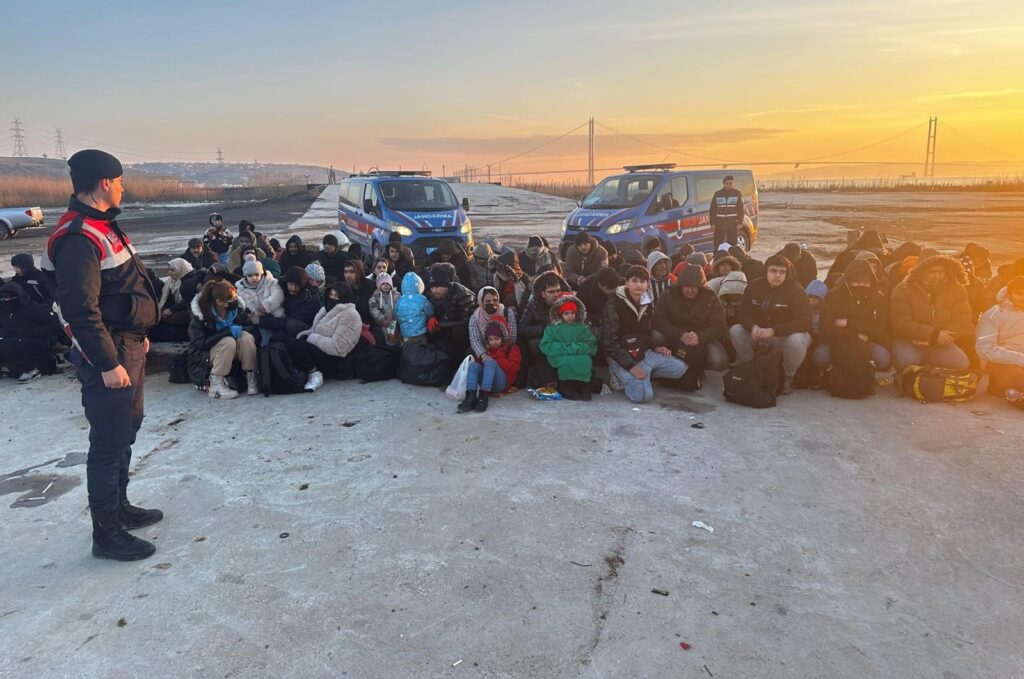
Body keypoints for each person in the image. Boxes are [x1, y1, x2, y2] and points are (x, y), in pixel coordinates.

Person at [40, 149, 161, 561]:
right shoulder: (78, 237)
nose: (124, 187)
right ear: (105, 183)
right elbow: (80, 309)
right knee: (109, 440)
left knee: (127, 428)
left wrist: (138, 332)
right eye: (121, 180)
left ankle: (120, 507)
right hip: (110, 353)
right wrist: (108, 363)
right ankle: (105, 531)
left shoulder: (102, 226)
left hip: (128, 343)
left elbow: (122, 288)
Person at [729, 254, 813, 395]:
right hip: (759, 333)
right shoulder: (754, 286)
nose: (778, 275)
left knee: (797, 340)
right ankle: (752, 369)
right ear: (766, 271)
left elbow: (805, 322)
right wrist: (753, 327)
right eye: (773, 271)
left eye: (782, 272)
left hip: (784, 337)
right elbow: (743, 312)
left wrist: (774, 330)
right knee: (736, 330)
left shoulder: (797, 291)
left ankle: (788, 376)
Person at [601, 265, 686, 403]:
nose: (638, 285)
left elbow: (645, 332)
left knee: (679, 369)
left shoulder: (647, 302)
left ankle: (644, 373)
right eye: (634, 281)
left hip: (642, 352)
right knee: (642, 397)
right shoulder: (613, 304)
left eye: (642, 281)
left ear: (647, 285)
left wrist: (655, 347)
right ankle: (619, 374)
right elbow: (609, 342)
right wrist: (630, 367)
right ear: (627, 282)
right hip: (620, 356)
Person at [890, 254, 973, 372]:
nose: (937, 276)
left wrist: (941, 337)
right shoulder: (902, 289)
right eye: (932, 272)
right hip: (909, 341)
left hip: (941, 341)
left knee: (961, 363)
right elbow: (901, 324)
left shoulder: (956, 289)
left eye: (941, 272)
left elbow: (962, 319)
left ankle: (929, 369)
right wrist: (932, 335)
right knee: (906, 361)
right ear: (921, 271)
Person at [653, 264, 729, 387]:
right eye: (686, 286)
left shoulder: (710, 297)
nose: (690, 290)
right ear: (680, 285)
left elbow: (719, 326)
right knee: (655, 335)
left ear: (701, 287)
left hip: (701, 338)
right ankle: (662, 364)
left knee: (719, 361)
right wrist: (680, 334)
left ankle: (695, 368)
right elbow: (658, 319)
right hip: (673, 334)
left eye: (694, 287)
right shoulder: (669, 294)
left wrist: (700, 337)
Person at [286, 283, 363, 392]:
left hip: (333, 359)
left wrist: (311, 338)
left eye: (336, 296)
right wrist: (306, 335)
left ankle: (314, 373)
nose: (332, 298)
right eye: (330, 295)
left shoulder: (351, 315)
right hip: (319, 349)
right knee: (279, 339)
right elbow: (314, 330)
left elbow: (337, 347)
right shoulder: (326, 309)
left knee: (292, 344)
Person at [188, 279, 258, 399]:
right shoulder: (201, 316)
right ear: (219, 302)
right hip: (206, 356)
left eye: (235, 297)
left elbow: (250, 326)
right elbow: (200, 344)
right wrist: (227, 332)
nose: (234, 301)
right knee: (227, 341)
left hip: (234, 352)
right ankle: (216, 384)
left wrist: (240, 329)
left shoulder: (237, 310)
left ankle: (251, 375)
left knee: (246, 337)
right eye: (231, 299)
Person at [815, 259, 891, 371]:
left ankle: (862, 367)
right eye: (856, 282)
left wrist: (848, 323)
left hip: (867, 342)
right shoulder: (833, 296)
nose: (861, 286)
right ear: (848, 281)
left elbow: (879, 329)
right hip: (837, 341)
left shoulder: (878, 298)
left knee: (883, 359)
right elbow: (826, 327)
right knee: (820, 358)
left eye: (866, 283)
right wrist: (856, 334)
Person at [540, 292, 598, 400]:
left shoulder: (582, 327)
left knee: (584, 361)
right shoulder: (553, 328)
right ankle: (566, 387)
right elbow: (546, 345)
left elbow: (591, 345)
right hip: (560, 354)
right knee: (566, 362)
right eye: (566, 313)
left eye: (572, 313)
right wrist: (568, 348)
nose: (570, 316)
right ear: (560, 314)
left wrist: (575, 348)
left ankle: (584, 386)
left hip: (578, 353)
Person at [457, 318, 521, 413]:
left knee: (490, 362)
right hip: (487, 380)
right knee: (474, 365)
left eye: (496, 339)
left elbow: (513, 368)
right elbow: (480, 365)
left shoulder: (512, 348)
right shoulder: (487, 351)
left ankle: (483, 397)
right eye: (490, 339)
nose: (493, 342)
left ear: (502, 337)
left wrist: (496, 360)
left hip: (502, 383)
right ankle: (471, 396)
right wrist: (483, 358)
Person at [976, 276, 1024, 399]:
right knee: (1014, 376)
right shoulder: (995, 314)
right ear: (1009, 293)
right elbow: (985, 349)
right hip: (1002, 361)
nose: (1023, 298)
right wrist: (1020, 359)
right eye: (1019, 293)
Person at [0, 282, 59, 381]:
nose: (6, 300)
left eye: (9, 297)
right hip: (10, 339)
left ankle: (31, 369)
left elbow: (52, 326)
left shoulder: (33, 308)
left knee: (13, 344)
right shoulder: (3, 311)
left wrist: (29, 331)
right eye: (3, 298)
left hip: (35, 340)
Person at [518, 270, 572, 361]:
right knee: (534, 344)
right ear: (543, 294)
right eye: (551, 292)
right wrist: (544, 329)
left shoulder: (570, 301)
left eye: (558, 291)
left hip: (567, 337)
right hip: (546, 340)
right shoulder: (534, 305)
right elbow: (522, 328)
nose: (556, 295)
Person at [426, 267, 476, 355]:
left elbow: (467, 321)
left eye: (437, 286)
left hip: (468, 328)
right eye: (431, 287)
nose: (433, 290)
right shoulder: (435, 295)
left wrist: (443, 324)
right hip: (449, 321)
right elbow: (436, 308)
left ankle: (461, 356)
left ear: (446, 284)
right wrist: (432, 317)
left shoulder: (462, 294)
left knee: (458, 332)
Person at [235, 260, 285, 344]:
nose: (254, 278)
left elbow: (278, 295)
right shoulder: (241, 289)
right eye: (250, 275)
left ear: (261, 273)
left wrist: (265, 306)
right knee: (265, 340)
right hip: (258, 321)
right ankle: (266, 354)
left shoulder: (270, 282)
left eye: (256, 274)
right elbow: (241, 304)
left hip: (277, 318)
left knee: (280, 338)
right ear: (245, 276)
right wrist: (247, 312)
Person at [152, 258, 196, 342]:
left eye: (172, 270)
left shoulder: (189, 282)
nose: (169, 273)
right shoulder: (174, 280)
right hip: (180, 308)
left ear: (180, 269)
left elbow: (187, 301)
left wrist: (171, 310)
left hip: (189, 312)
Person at [469, 286, 518, 359]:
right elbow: (475, 340)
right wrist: (483, 355)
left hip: (505, 350)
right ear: (481, 302)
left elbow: (512, 336)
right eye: (488, 301)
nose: (492, 303)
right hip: (486, 350)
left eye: (495, 300)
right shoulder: (475, 317)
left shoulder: (507, 312)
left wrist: (500, 351)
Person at [710, 175, 745, 250]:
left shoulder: (737, 193)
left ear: (733, 184)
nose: (728, 185)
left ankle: (732, 260)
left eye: (730, 183)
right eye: (727, 183)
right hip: (719, 225)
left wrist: (740, 222)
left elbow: (741, 210)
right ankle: (717, 259)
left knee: (732, 247)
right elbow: (712, 210)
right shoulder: (717, 194)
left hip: (732, 224)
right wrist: (712, 223)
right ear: (724, 184)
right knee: (717, 246)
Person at [396, 272, 433, 342]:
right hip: (420, 332)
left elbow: (396, 314)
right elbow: (430, 311)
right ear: (419, 284)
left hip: (405, 334)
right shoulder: (421, 299)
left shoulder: (400, 300)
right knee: (421, 348)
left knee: (409, 349)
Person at [369, 272, 401, 344]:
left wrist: (399, 318)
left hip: (395, 322)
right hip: (384, 323)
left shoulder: (396, 294)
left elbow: (401, 306)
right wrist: (382, 319)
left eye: (388, 283)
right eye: (383, 284)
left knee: (397, 337)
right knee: (386, 338)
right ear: (378, 285)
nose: (386, 285)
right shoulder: (375, 296)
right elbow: (373, 308)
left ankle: (397, 350)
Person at [342, 259, 375, 325]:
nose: (348, 275)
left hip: (371, 326)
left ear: (359, 272)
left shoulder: (371, 286)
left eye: (352, 272)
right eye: (345, 272)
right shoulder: (343, 289)